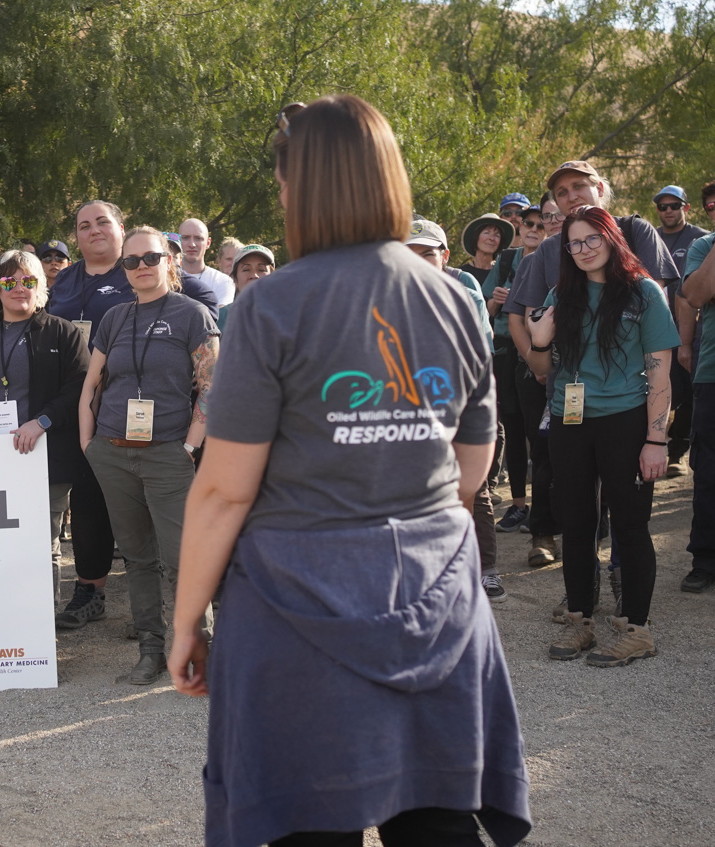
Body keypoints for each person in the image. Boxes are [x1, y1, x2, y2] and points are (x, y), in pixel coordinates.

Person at [169, 95, 530, 847]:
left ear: (302, 184)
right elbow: (471, 467)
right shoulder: (456, 298)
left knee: (309, 821)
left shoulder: (269, 306)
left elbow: (224, 489)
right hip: (435, 595)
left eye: (280, 179)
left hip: (297, 598)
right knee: (437, 813)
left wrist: (186, 621)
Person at [525, 205, 678, 666]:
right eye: (574, 242)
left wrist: (656, 441)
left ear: (612, 239)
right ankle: (580, 619)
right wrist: (539, 341)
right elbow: (540, 371)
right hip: (570, 421)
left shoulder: (643, 293)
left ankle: (637, 629)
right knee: (575, 523)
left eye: (592, 238)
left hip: (626, 421)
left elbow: (661, 376)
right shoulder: (561, 295)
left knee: (630, 525)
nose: (583, 249)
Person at [79, 226, 219, 685]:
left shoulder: (193, 314)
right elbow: (92, 385)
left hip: (168, 454)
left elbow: (213, 388)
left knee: (183, 558)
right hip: (113, 453)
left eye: (150, 258)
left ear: (170, 261)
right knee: (137, 558)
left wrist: (189, 447)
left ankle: (197, 649)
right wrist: (89, 444)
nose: (141, 267)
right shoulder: (114, 318)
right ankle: (150, 650)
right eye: (131, 261)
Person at [0, 250, 88, 600]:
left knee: (42, 540)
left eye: (28, 281)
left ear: (40, 287)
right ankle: (1, 614)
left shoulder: (62, 333)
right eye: (9, 282)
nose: (19, 288)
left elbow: (81, 387)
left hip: (47, 456)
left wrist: (42, 421)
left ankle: (43, 621)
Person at [404, 218, 504, 603]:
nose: (419, 261)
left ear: (444, 256)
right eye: (410, 253)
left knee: (471, 488)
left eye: (428, 253)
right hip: (405, 412)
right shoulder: (386, 292)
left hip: (460, 404)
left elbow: (480, 355)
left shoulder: (465, 289)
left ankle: (485, 571)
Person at [45, 200, 131, 628]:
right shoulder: (62, 281)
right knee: (87, 496)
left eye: (102, 222)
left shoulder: (136, 270)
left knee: (136, 497)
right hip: (73, 404)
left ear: (120, 228)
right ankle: (89, 589)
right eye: (83, 225)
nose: (93, 230)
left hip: (126, 401)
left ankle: (147, 596)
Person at [484, 203, 547, 534]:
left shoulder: (551, 260)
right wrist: (498, 300)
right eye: (528, 224)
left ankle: (543, 506)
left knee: (539, 430)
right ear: (520, 227)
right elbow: (487, 308)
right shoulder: (507, 259)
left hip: (537, 354)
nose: (534, 229)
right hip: (506, 352)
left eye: (540, 224)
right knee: (512, 423)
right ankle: (519, 505)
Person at [653, 185, 707, 478]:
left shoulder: (699, 239)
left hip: (692, 330)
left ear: (686, 208)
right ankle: (654, 446)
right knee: (662, 390)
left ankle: (677, 453)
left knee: (690, 392)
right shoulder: (651, 238)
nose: (669, 210)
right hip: (655, 330)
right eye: (663, 206)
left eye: (674, 205)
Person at [677, 230, 715, 593]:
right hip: (712, 375)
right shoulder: (705, 246)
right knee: (707, 471)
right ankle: (704, 559)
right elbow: (696, 294)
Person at [217, 245, 275, 333]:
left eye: (261, 269)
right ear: (234, 278)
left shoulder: (287, 315)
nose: (254, 275)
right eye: (246, 269)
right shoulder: (220, 318)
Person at [180, 218, 236, 305]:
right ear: (178, 241)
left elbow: (221, 317)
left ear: (208, 243)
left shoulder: (223, 281)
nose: (192, 244)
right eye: (185, 238)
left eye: (198, 238)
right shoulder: (164, 279)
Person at [460, 213, 514, 286]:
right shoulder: (461, 274)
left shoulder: (505, 274)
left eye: (497, 235)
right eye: (486, 233)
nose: (492, 238)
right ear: (476, 237)